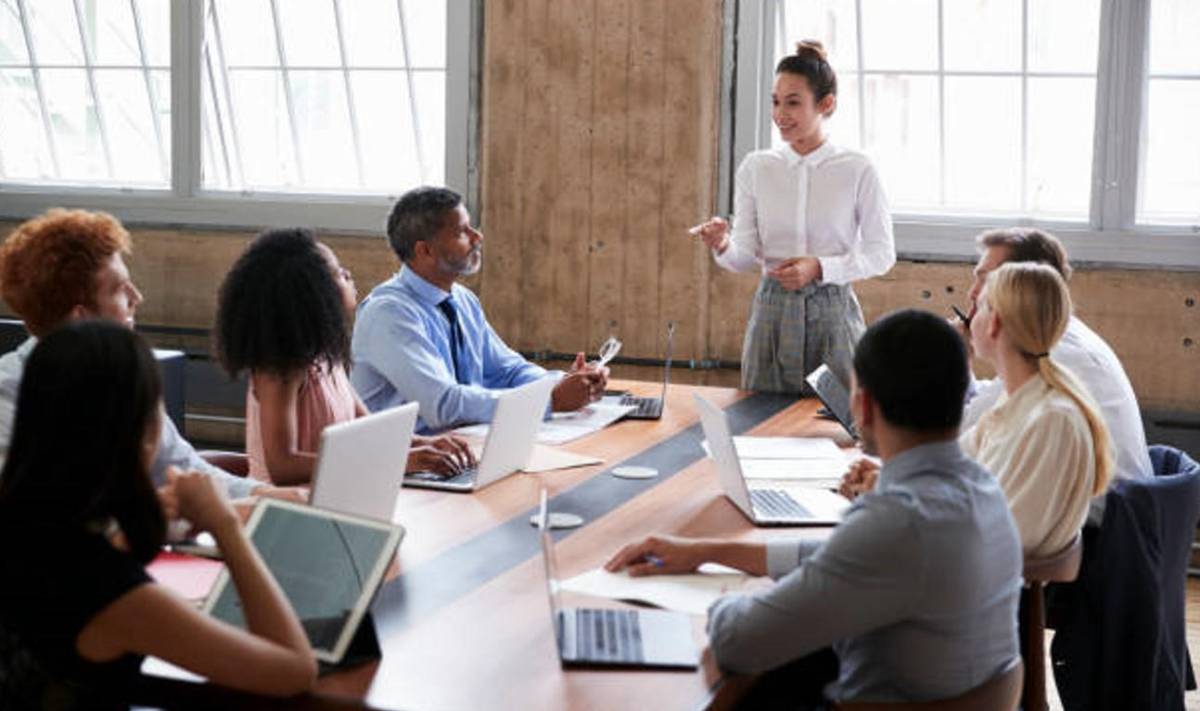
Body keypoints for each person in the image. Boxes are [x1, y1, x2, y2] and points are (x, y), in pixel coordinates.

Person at [606, 310, 1021, 706]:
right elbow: (844, 559)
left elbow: (738, 643)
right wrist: (711, 552)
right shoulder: (982, 486)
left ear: (864, 406)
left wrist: (723, 598)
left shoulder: (896, 522)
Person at [0, 321, 316, 709]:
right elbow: (293, 671)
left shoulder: (29, 531)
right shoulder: (112, 592)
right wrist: (225, 527)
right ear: (141, 433)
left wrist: (135, 527)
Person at [0, 209, 263, 500]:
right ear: (81, 320)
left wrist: (276, 497)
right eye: (119, 289)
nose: (136, 297)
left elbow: (186, 469)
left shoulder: (126, 378)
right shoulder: (8, 399)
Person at [691, 40, 894, 393]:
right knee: (759, 423)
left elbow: (881, 255)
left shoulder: (857, 169)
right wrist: (722, 244)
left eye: (793, 102)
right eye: (775, 101)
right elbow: (743, 258)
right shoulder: (757, 168)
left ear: (826, 104)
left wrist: (819, 268)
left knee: (841, 426)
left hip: (833, 314)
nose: (780, 114)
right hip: (771, 314)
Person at [214, 228, 475, 485]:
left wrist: (425, 444)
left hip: (334, 495)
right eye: (338, 273)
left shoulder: (327, 356)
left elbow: (368, 429)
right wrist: (401, 460)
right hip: (285, 508)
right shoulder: (280, 370)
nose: (348, 274)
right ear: (312, 295)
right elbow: (284, 467)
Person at [351, 187, 608, 432]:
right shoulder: (389, 314)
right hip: (408, 462)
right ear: (425, 250)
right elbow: (443, 404)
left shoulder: (462, 299)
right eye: (462, 232)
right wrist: (550, 400)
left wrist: (565, 382)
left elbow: (508, 371)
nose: (478, 237)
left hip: (461, 447)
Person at [960, 228, 1150, 494]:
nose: (972, 294)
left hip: (1099, 523)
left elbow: (964, 436)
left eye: (984, 282)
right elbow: (986, 415)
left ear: (1019, 285)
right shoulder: (1056, 335)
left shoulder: (1053, 354)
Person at [961, 262, 1113, 557]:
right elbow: (955, 460)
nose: (970, 316)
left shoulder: (1052, 420)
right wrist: (889, 478)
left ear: (995, 323)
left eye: (979, 307)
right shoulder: (1018, 400)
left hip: (987, 587)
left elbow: (1004, 537)